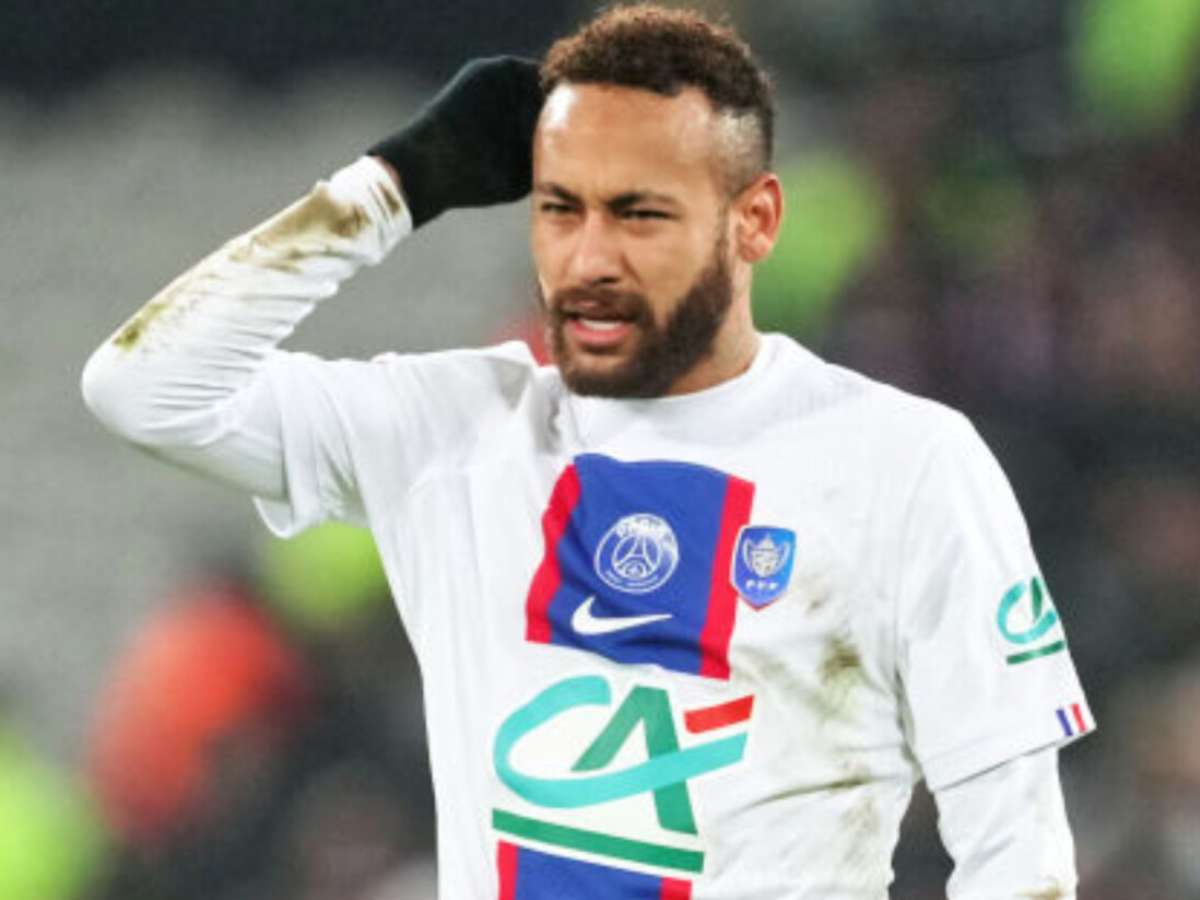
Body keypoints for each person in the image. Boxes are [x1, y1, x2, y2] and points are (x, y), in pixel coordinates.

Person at [82, 5, 1095, 898]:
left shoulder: (906, 462)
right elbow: (142, 388)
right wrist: (391, 187)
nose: (589, 259)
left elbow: (1017, 845)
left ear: (754, 222)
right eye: (560, 209)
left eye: (639, 213)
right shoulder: (455, 432)